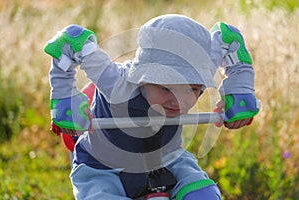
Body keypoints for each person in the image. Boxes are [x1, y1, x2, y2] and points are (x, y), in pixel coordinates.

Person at [44, 14, 259, 200]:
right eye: (167, 88)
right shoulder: (117, 84)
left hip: (168, 157)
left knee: (202, 195)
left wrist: (239, 93)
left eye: (192, 89)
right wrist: (65, 99)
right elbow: (70, 42)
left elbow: (228, 39)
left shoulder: (200, 64)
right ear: (143, 77)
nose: (180, 102)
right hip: (104, 167)